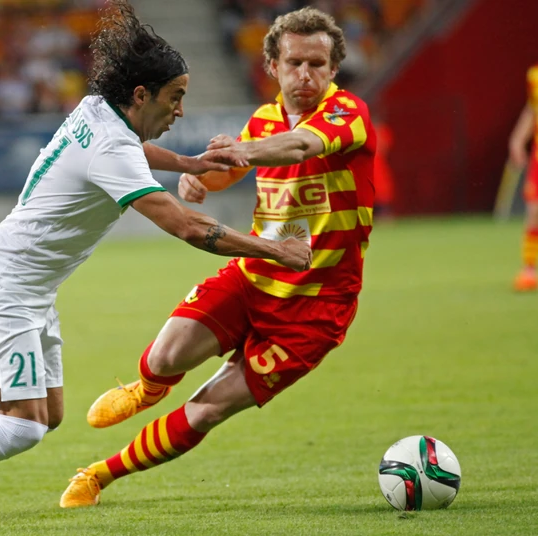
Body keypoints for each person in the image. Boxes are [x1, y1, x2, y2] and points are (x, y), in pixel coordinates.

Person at [0, 1, 311, 530]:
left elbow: (133, 148)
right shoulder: (110, 145)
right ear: (141, 94)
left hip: (25, 287)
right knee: (22, 425)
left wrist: (190, 162)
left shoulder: (98, 109)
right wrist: (274, 249)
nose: (180, 111)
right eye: (175, 97)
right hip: (5, 287)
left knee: (40, 412)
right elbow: (186, 226)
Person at [60, 6, 376, 508]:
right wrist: (200, 178)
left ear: (334, 68)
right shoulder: (264, 119)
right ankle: (146, 390)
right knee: (164, 358)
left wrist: (242, 153)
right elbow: (233, 169)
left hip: (314, 308)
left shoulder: (346, 114)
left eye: (317, 64)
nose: (305, 75)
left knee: (207, 409)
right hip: (253, 277)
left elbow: (298, 147)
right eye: (294, 63)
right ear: (272, 66)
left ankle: (98, 475)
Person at [510, 62, 538, 292]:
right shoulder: (535, 76)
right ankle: (529, 269)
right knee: (534, 211)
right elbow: (532, 109)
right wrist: (518, 140)